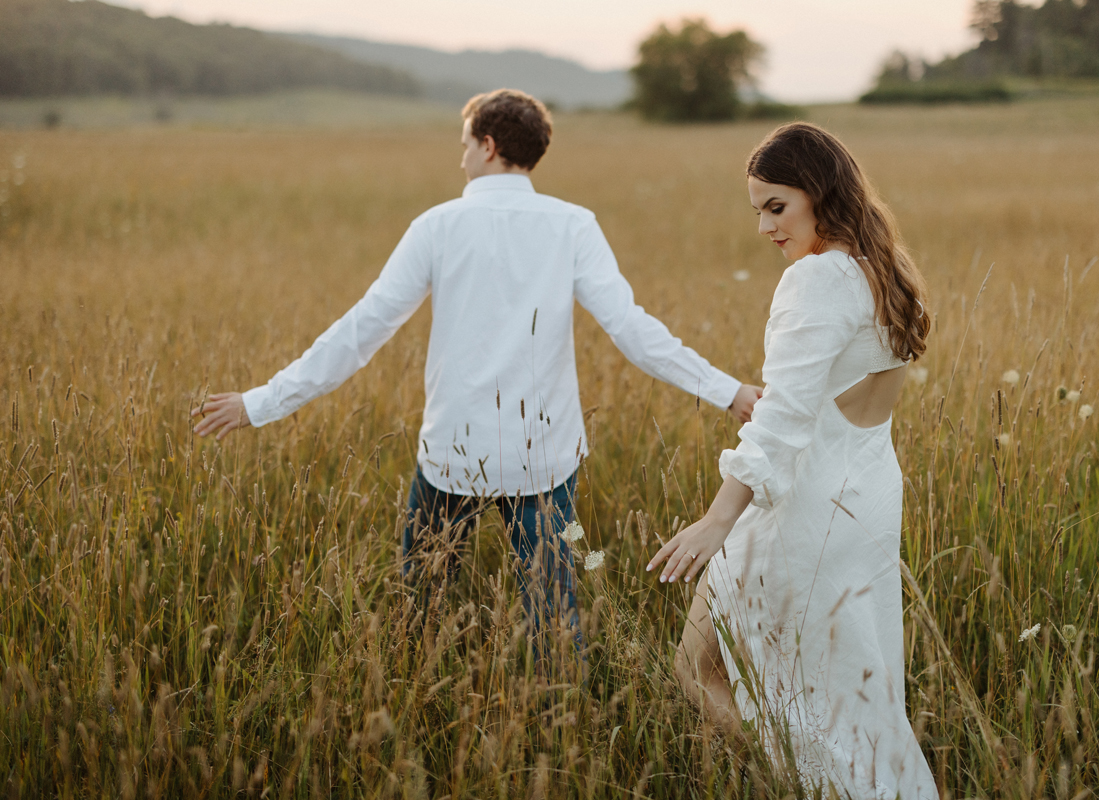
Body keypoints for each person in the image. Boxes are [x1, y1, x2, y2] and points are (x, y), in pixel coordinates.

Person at [191, 88, 761, 656]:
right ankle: (560, 721)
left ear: (488, 145)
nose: (460, 155)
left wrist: (260, 402)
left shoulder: (437, 225)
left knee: (422, 611)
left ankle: (423, 696)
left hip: (451, 455)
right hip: (545, 456)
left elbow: (361, 330)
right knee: (555, 620)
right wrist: (727, 390)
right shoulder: (572, 224)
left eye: (464, 144)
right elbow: (632, 331)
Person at [648, 122, 937, 798]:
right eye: (757, 211)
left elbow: (781, 419)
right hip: (862, 509)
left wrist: (718, 520)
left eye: (777, 206)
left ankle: (812, 787)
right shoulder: (886, 271)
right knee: (856, 708)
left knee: (703, 673)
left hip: (799, 516)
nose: (764, 227)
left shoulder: (815, 280)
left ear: (820, 194)